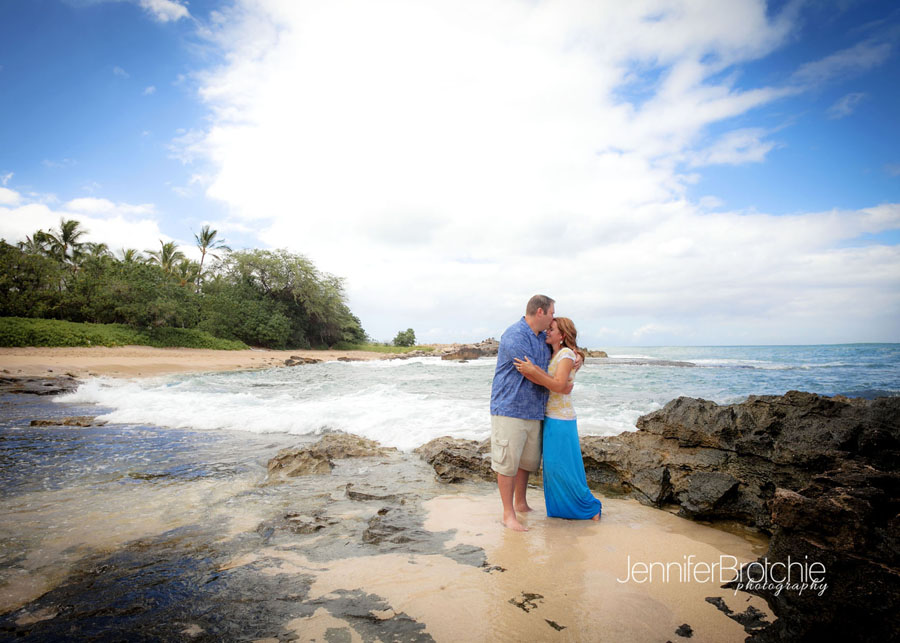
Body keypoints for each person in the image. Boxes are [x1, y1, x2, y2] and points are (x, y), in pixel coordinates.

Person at [489, 294, 569, 531]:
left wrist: (573, 359)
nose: (554, 316)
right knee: (507, 463)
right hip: (510, 408)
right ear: (541, 312)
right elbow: (530, 373)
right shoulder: (515, 335)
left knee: (526, 462)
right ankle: (508, 514)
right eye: (552, 312)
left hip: (534, 410)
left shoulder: (541, 338)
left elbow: (557, 355)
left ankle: (521, 503)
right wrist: (558, 384)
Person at [514, 317, 602, 521]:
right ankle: (564, 512)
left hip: (562, 419)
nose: (547, 331)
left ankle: (589, 508)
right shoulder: (553, 354)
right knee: (554, 469)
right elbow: (555, 383)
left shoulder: (566, 354)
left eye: (551, 329)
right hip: (550, 418)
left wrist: (533, 371)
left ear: (562, 335)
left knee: (564, 468)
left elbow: (560, 385)